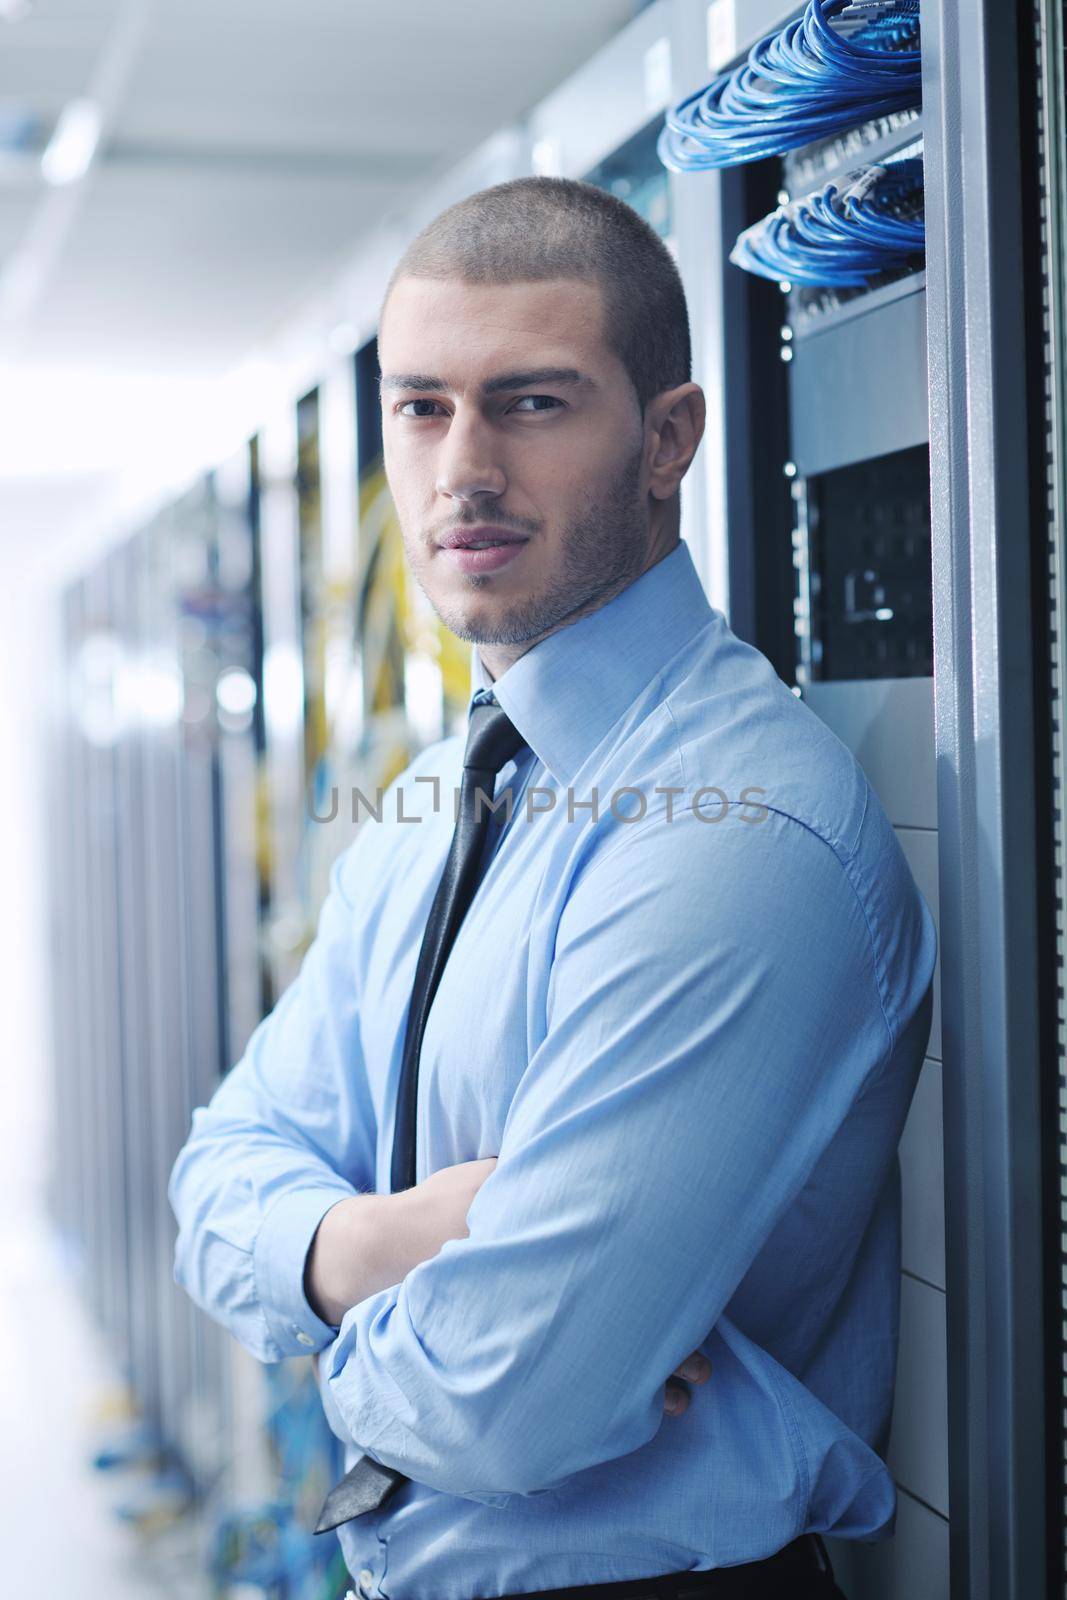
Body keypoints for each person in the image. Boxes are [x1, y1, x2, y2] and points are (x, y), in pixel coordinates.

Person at [169, 176, 937, 1600]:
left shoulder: (736, 833)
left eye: (531, 403)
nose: (462, 468)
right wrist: (390, 1243)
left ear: (669, 439)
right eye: (420, 406)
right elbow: (213, 1183)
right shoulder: (429, 806)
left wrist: (330, 1313)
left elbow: (496, 1399)